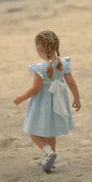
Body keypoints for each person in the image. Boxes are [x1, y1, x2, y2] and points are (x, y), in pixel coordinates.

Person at [14, 30, 81, 172]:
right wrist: (77, 98)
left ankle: (48, 152)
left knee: (32, 130)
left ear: (39, 48)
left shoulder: (39, 68)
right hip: (58, 102)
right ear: (57, 46)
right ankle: (50, 158)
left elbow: (35, 89)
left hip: (42, 104)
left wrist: (21, 97)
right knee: (52, 131)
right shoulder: (63, 64)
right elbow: (72, 83)